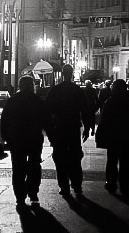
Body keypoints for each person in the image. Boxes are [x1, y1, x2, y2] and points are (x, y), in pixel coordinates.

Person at [1, 76, 51, 207]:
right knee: (34, 164)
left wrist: (5, 136)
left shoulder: (12, 101)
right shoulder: (37, 101)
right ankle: (33, 192)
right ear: (31, 86)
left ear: (20, 86)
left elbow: (5, 119)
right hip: (34, 138)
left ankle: (20, 196)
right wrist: (51, 135)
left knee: (18, 167)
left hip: (17, 138)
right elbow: (46, 120)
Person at [45, 64, 94, 197]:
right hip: (73, 127)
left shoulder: (55, 90)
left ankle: (64, 186)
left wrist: (50, 130)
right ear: (72, 74)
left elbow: (47, 111)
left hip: (60, 127)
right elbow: (85, 110)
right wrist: (87, 127)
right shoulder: (77, 90)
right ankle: (76, 184)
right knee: (75, 157)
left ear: (62, 74)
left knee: (60, 158)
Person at [98, 79, 129, 199]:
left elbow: (104, 120)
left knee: (112, 161)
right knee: (125, 163)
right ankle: (125, 187)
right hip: (126, 136)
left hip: (113, 137)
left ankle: (111, 183)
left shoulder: (110, 102)